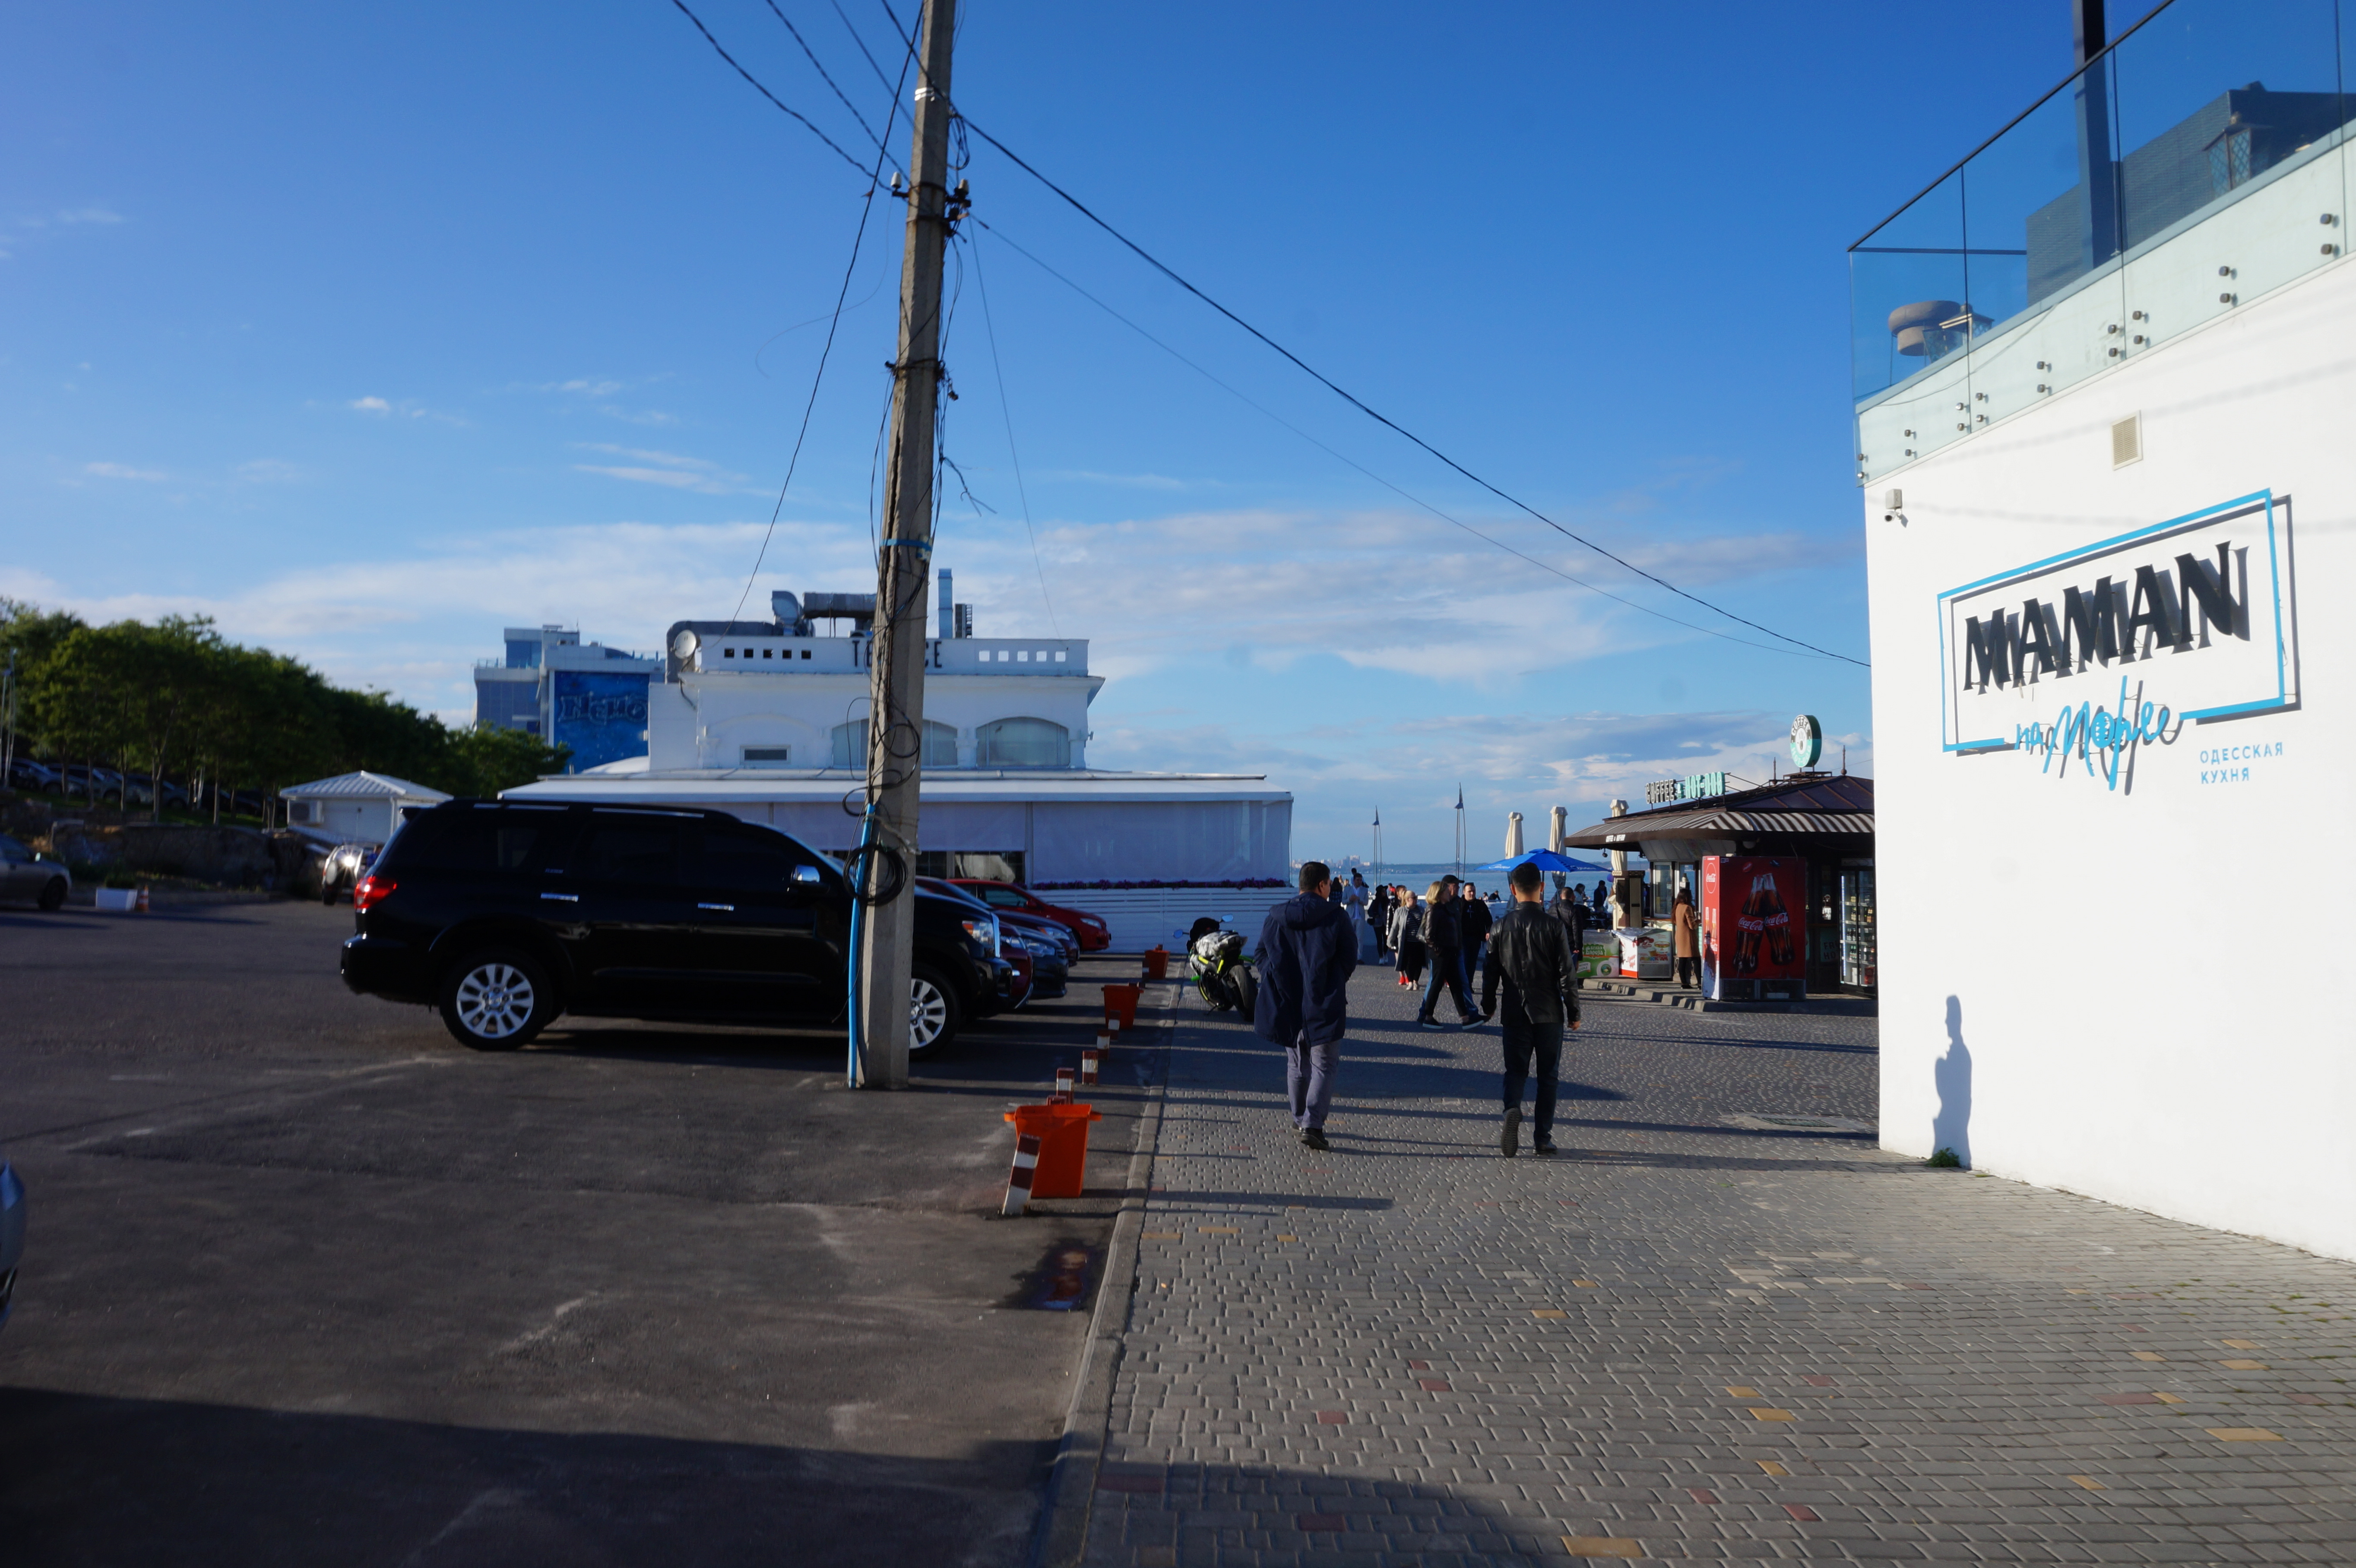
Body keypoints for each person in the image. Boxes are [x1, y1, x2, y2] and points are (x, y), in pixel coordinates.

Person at [1253, 860, 1359, 1150]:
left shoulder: (1276, 916)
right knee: (1324, 1064)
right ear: (1322, 885)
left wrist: (1275, 977)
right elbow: (1350, 957)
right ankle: (1312, 1124)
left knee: (1297, 1063)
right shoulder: (1335, 917)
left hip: (1288, 1001)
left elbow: (1260, 954)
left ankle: (1301, 1118)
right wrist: (1333, 981)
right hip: (1323, 1000)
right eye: (1329, 886)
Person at [1480, 860, 1583, 1157]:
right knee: (1548, 1076)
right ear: (1542, 888)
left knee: (1515, 1071)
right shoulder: (1554, 927)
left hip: (1515, 1010)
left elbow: (1490, 973)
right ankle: (1542, 1138)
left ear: (1512, 890)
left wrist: (1488, 1006)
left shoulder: (1500, 928)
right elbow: (1567, 974)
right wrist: (1574, 1012)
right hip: (1549, 1011)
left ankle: (1512, 1108)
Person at [1416, 878, 1478, 1030]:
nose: (1448, 893)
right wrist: (1440, 951)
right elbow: (1429, 935)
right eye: (1445, 891)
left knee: (1456, 985)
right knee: (1436, 985)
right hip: (1441, 955)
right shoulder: (1434, 909)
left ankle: (1466, 1018)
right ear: (1439, 893)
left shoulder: (1445, 908)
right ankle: (1427, 1016)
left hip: (1450, 953)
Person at [1459, 879, 1495, 985]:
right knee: (1465, 961)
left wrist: (1488, 931)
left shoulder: (1480, 904)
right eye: (1470, 891)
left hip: (1476, 937)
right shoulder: (1460, 904)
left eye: (1474, 891)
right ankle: (1464, 984)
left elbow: (1488, 919)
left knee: (1472, 962)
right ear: (1464, 892)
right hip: (1463, 937)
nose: (1472, 893)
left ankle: (1469, 983)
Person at [1390, 889, 1425, 988]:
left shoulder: (1421, 910)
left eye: (1416, 898)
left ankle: (1416, 981)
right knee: (1409, 962)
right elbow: (1395, 927)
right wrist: (1390, 940)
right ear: (1408, 900)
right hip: (1407, 941)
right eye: (1414, 898)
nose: (1416, 900)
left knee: (1418, 963)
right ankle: (1410, 982)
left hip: (1419, 941)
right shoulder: (1400, 911)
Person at [1672, 886, 1700, 989]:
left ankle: (1684, 983)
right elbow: (1692, 925)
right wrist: (1698, 921)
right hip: (1688, 937)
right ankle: (1700, 983)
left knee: (1683, 960)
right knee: (1696, 959)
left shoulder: (1677, 907)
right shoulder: (1687, 908)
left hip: (1679, 936)